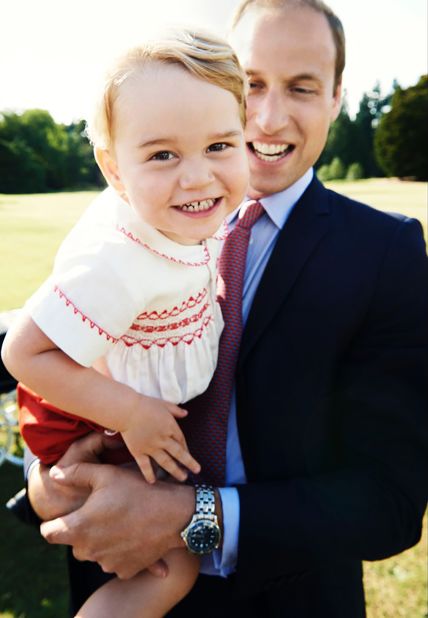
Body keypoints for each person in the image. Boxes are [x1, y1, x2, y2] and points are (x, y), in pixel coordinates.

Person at [9, 0, 428, 616]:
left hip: (286, 601)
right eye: (251, 83)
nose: (267, 114)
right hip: (123, 582)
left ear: (338, 96)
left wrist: (193, 517)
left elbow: (386, 504)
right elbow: (59, 358)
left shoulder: (385, 253)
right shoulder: (134, 220)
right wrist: (46, 484)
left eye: (302, 87)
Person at [1, 29, 250, 617]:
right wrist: (131, 414)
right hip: (88, 416)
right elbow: (22, 354)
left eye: (219, 145)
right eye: (163, 154)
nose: (197, 177)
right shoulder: (118, 258)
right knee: (173, 566)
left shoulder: (175, 221)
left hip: (116, 408)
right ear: (114, 171)